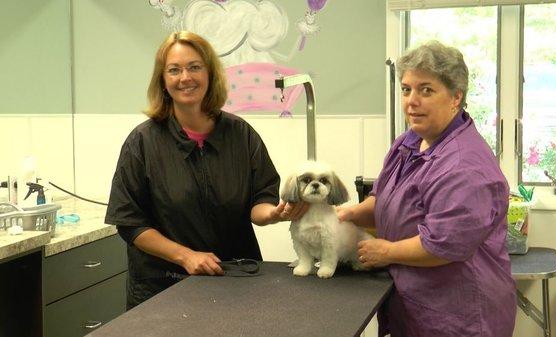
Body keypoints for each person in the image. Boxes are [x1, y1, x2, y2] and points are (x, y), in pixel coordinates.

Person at [105, 31, 306, 309]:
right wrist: (185, 256)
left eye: (195, 67)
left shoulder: (241, 135)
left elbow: (260, 199)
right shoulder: (143, 142)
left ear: (210, 74)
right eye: (174, 70)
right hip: (163, 288)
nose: (185, 77)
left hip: (234, 282)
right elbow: (129, 223)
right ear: (163, 81)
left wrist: (274, 214)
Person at [337, 41, 516, 336]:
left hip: (458, 317)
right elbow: (385, 199)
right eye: (406, 89)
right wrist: (350, 213)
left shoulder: (463, 166)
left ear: (456, 97)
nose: (411, 101)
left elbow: (443, 245)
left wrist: (387, 251)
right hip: (415, 308)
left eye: (426, 90)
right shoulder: (408, 141)